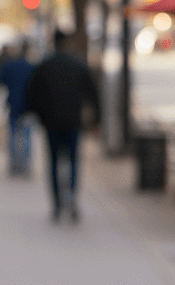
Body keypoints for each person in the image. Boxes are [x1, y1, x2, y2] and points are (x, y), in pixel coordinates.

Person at [27, 31, 100, 223]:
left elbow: (32, 95)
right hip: (73, 122)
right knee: (74, 161)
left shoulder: (45, 65)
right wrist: (96, 121)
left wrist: (40, 117)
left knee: (53, 163)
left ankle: (57, 204)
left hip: (51, 123)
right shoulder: (78, 65)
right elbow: (93, 95)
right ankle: (73, 199)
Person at [0, 39, 36, 175]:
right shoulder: (32, 67)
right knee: (27, 136)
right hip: (28, 107)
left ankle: (13, 165)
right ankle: (25, 166)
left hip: (13, 105)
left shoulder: (10, 66)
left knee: (13, 135)